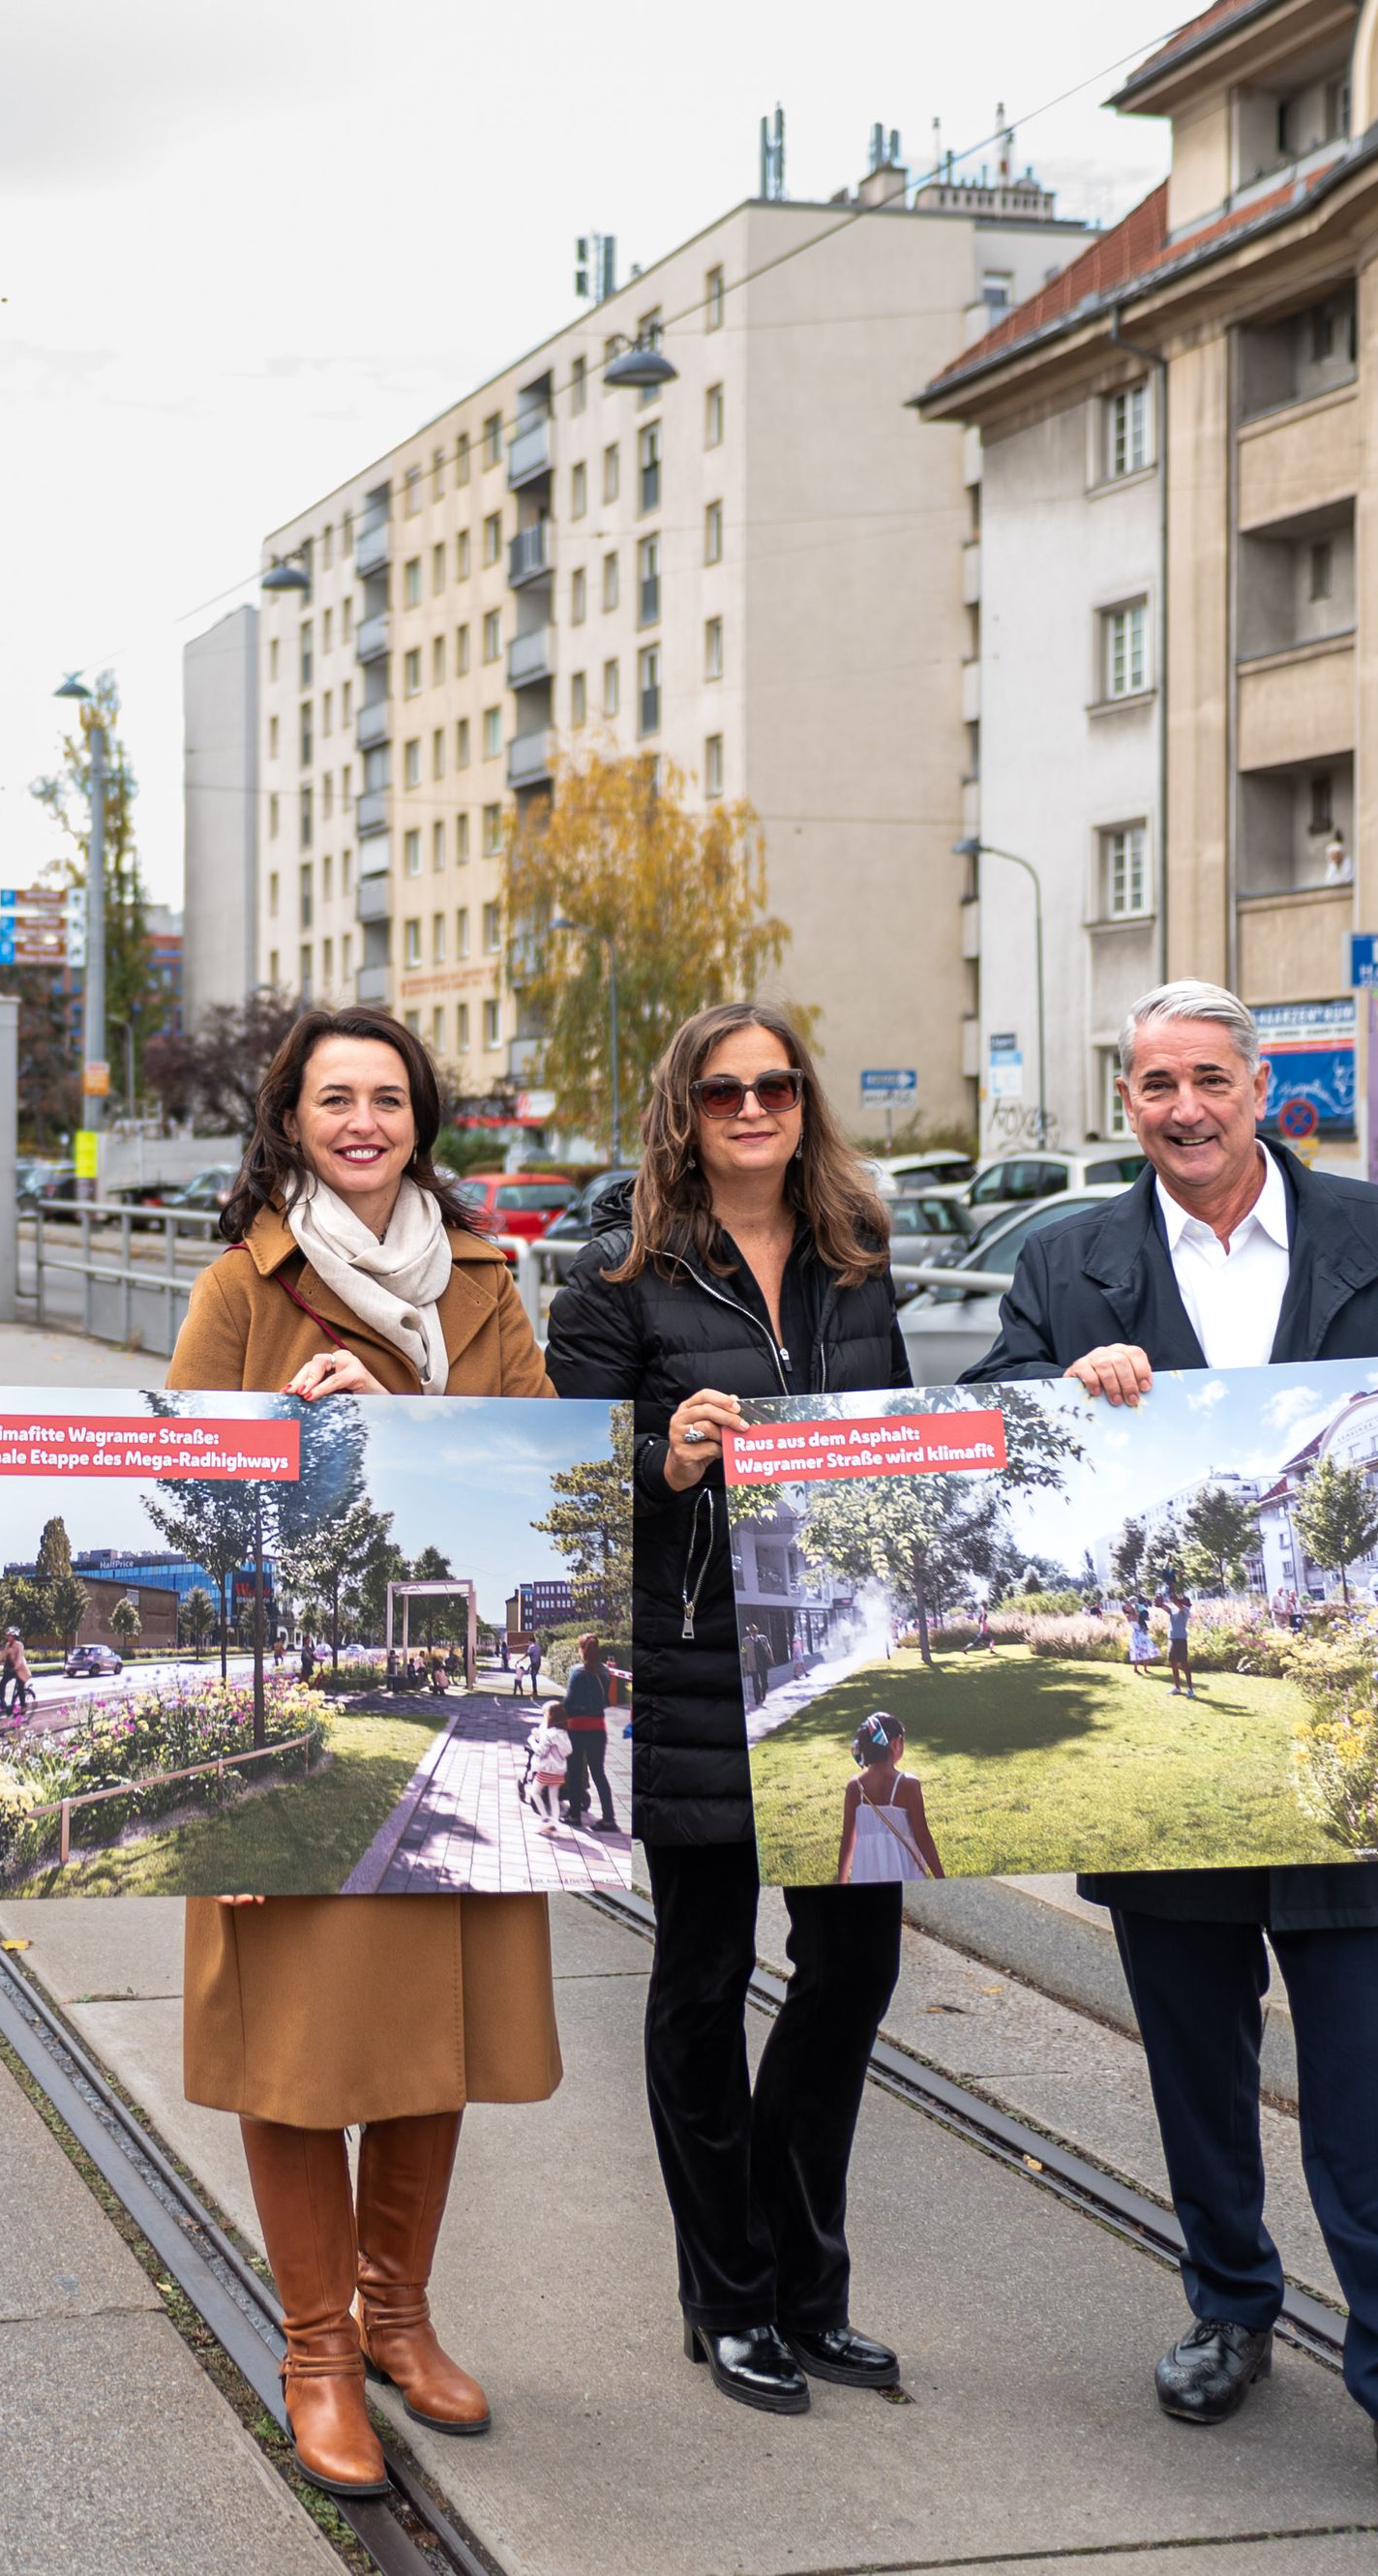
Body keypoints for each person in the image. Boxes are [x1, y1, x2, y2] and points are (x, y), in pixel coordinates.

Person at [963, 978, 1378, 2550]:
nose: (1183, 1108)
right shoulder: (1067, 1261)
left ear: (1260, 1080)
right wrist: (1050, 1405)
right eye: (1153, 1084)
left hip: (1357, 1729)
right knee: (1195, 2065)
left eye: (1208, 1078)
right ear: (1126, 1095)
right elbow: (982, 1431)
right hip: (1166, 1743)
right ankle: (1230, 2303)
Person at [167, 1003, 562, 2501]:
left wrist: (421, 1422)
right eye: (333, 1097)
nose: (362, 1121)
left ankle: (399, 2313)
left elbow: (539, 1454)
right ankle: (317, 2347)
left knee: (428, 2035)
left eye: (387, 1097)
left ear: (422, 1119)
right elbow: (186, 1495)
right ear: (291, 1118)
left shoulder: (482, 1279)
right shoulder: (239, 1285)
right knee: (298, 2050)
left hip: (448, 1720)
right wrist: (292, 1425)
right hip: (295, 1693)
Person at [546, 1000, 915, 2419]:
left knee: (851, 1974)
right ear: (683, 1111)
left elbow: (896, 1449)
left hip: (842, 1673)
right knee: (703, 1982)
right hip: (695, 1673)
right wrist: (665, 1452)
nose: (751, 1108)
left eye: (774, 1085)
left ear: (805, 1104)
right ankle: (729, 2292)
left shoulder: (854, 1265)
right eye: (722, 1090)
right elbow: (572, 1476)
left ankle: (804, 2282)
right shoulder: (617, 1280)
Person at [831, 1713, 945, 1884]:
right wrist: (941, 1879)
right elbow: (922, 1836)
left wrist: (842, 1881)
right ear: (895, 1743)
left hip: (867, 1873)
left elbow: (847, 1840)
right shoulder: (908, 1784)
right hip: (905, 1872)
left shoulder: (855, 1787)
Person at [556, 1635, 620, 1831]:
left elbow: (569, 1701)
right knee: (598, 1772)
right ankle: (609, 1818)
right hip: (598, 1728)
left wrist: (558, 1717)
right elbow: (606, 1701)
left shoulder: (577, 1672)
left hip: (577, 1727)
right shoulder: (605, 1671)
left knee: (575, 1771)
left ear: (582, 1650)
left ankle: (574, 1814)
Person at [528, 1708, 573, 1827]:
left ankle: (545, 1818)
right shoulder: (564, 1733)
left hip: (546, 1770)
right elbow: (568, 1750)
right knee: (554, 1798)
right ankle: (555, 1822)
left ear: (551, 1717)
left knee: (535, 1792)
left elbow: (541, 1751)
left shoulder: (549, 1733)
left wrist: (532, 1740)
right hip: (559, 1772)